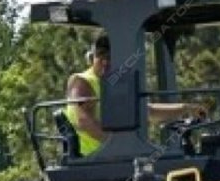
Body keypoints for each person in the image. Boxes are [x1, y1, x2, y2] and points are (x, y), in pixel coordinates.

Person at [66, 33, 205, 156]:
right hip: (93, 158)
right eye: (100, 55)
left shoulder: (114, 83)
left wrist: (186, 108)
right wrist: (118, 145)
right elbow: (83, 121)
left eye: (110, 56)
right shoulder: (81, 82)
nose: (105, 61)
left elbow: (145, 111)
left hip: (113, 156)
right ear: (91, 58)